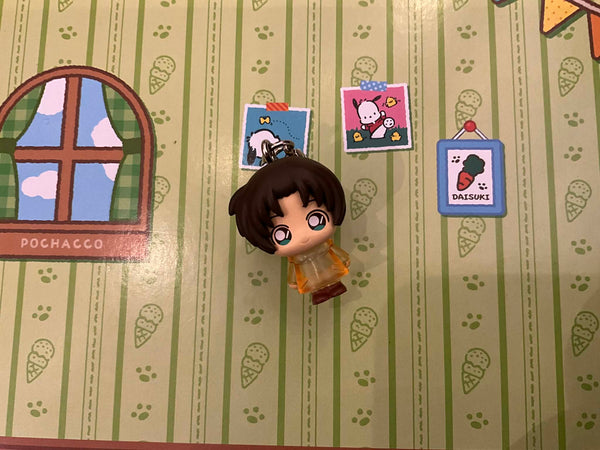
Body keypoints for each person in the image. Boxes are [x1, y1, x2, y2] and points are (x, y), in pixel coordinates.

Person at [229, 142, 350, 304]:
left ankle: (335, 287)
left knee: (334, 278)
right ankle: (319, 294)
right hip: (311, 280)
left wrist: (344, 260)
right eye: (282, 235)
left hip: (332, 270)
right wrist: (294, 281)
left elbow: (337, 253)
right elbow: (294, 269)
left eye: (316, 220)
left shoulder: (323, 245)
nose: (304, 237)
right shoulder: (295, 257)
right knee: (314, 287)